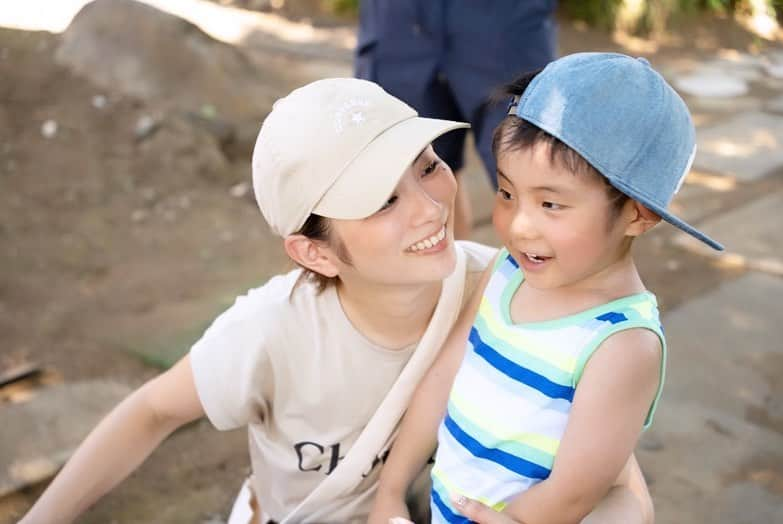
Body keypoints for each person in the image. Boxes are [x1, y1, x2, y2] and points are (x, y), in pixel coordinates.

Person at [20, 77, 654, 524]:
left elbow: (620, 482)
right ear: (315, 253)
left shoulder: (507, 288)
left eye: (428, 165)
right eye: (382, 201)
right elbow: (150, 413)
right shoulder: (271, 331)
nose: (432, 206)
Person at [369, 53, 725, 524]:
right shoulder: (506, 271)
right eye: (507, 193)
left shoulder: (622, 343)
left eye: (551, 204)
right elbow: (442, 379)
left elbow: (574, 493)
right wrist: (391, 491)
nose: (518, 226)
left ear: (638, 214)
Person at [355, 0, 558, 239]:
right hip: (399, 21)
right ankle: (452, 275)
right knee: (419, 174)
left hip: (504, 19)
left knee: (539, 175)